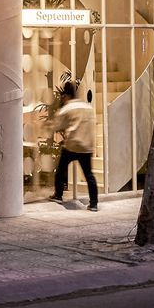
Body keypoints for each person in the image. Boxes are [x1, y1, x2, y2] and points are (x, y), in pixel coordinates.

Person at [50, 79, 98, 211]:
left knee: (60, 170)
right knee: (89, 175)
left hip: (72, 145)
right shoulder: (88, 108)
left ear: (66, 95)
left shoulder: (67, 108)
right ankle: (94, 203)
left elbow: (57, 125)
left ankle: (58, 195)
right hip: (86, 147)